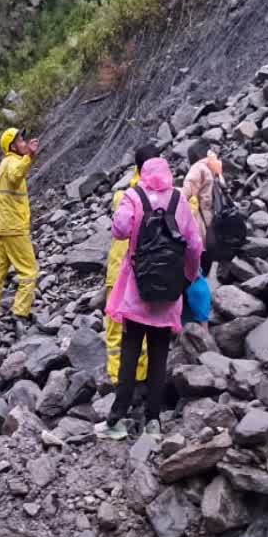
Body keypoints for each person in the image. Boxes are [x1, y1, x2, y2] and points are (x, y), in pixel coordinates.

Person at [98, 157, 203, 441]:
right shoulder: (179, 200)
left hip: (138, 290)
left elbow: (119, 230)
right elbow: (194, 244)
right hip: (168, 293)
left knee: (130, 352)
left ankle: (116, 419)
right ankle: (153, 421)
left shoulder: (133, 196)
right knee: (159, 355)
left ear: (141, 173)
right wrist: (188, 276)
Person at [105, 145, 159, 385]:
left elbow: (120, 230)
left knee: (116, 325)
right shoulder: (170, 197)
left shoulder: (124, 196)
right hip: (150, 271)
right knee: (145, 322)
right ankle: (142, 375)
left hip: (120, 270)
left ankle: (118, 377)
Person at [0, 127, 40, 331]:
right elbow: (15, 175)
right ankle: (20, 313)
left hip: (1, 229)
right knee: (29, 270)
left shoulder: (2, 165)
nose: (24, 143)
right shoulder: (13, 162)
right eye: (20, 141)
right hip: (14, 228)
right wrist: (30, 156)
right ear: (12, 146)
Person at [182, 141, 225, 278]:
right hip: (216, 219)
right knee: (208, 257)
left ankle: (200, 283)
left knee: (198, 259)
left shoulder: (197, 168)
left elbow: (185, 194)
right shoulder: (215, 167)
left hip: (201, 222)